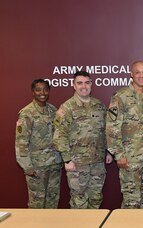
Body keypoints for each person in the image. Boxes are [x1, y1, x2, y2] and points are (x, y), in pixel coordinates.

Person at [53, 71, 113, 209]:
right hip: (77, 164)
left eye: (87, 83)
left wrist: (109, 151)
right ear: (74, 86)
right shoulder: (66, 108)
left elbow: (106, 131)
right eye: (79, 83)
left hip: (97, 162)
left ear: (91, 84)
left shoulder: (99, 106)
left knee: (96, 199)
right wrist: (67, 160)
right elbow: (59, 135)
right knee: (78, 201)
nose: (83, 86)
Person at [106, 61, 143, 208]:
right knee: (131, 200)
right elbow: (111, 127)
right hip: (130, 158)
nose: (141, 76)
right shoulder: (120, 96)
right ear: (131, 74)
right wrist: (118, 154)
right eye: (138, 72)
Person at [15, 79, 62, 208]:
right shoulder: (26, 113)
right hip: (36, 167)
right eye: (38, 90)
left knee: (53, 200)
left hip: (54, 164)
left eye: (46, 89)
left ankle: (51, 227)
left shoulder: (53, 110)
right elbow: (21, 142)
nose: (42, 93)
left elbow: (59, 134)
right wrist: (27, 167)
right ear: (33, 92)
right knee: (37, 202)